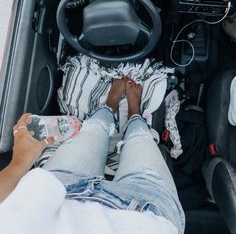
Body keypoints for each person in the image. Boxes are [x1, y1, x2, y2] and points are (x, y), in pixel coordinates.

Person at [0, 78, 185, 234]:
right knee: (140, 138)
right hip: (148, 215)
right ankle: (134, 111)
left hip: (58, 190)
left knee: (94, 128)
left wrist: (19, 162)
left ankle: (110, 104)